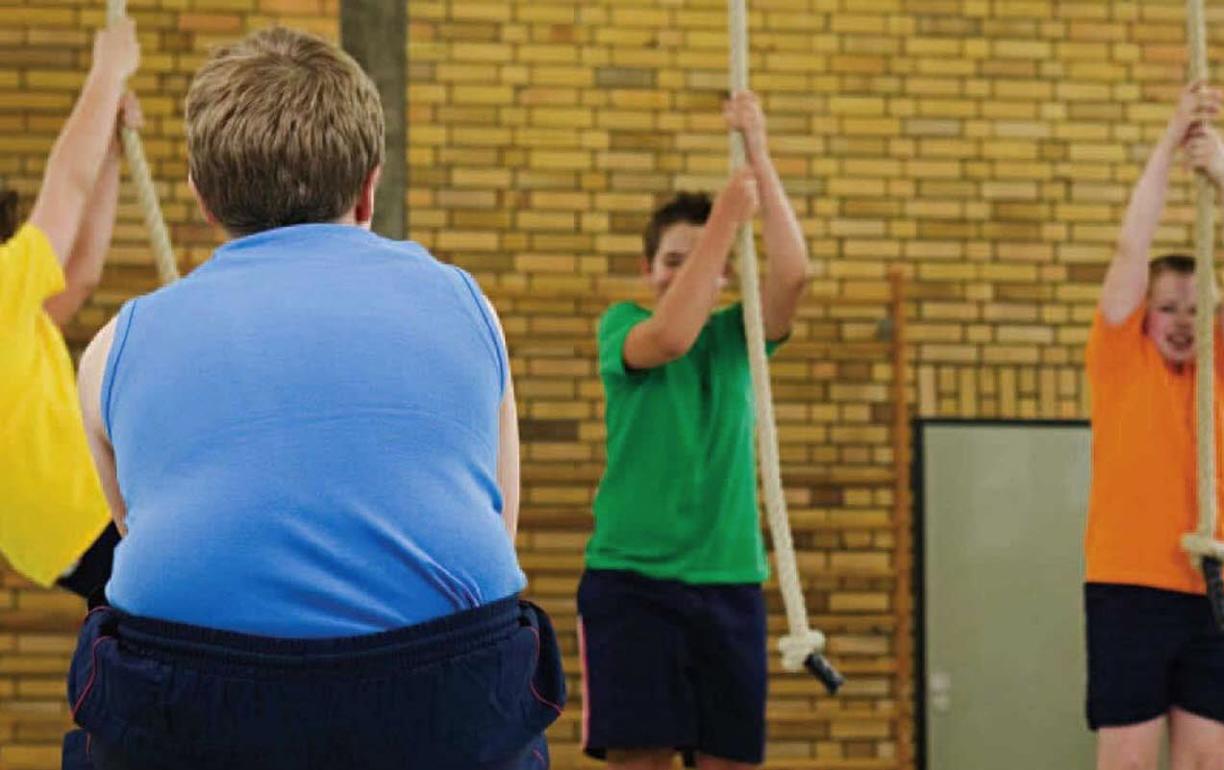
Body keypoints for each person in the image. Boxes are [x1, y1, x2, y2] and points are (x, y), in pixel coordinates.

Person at [64, 26, 563, 770]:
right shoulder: (466, 304)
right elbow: (500, 521)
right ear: (370, 186)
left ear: (202, 200)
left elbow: (141, 527)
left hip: (195, 705)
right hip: (447, 702)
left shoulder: (114, 346)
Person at [577, 90, 810, 770]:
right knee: (640, 757)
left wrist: (759, 156)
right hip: (634, 583)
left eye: (700, 257)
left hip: (728, 582)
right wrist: (722, 226)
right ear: (649, 271)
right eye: (671, 260)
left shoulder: (737, 341)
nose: (686, 269)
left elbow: (794, 274)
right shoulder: (624, 325)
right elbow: (673, 335)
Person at [1085, 81, 1224, 770]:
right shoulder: (1121, 361)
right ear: (1143, 315)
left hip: (1220, 585)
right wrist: (1171, 137)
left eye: (1194, 308)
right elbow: (1131, 248)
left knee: (1208, 759)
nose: (1183, 321)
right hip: (1133, 583)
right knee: (1127, 759)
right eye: (1168, 307)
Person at [0, 19, 138, 590]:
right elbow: (65, 188)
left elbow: (79, 276)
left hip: (52, 539)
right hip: (79, 509)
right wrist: (106, 72)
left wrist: (108, 153)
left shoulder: (13, 317)